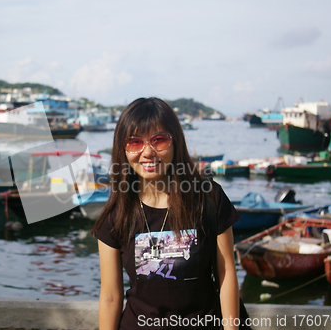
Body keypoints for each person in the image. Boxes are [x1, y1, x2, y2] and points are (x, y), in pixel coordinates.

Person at [92, 97, 241, 330]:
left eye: (159, 140)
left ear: (175, 142)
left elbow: (227, 274)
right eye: (135, 143)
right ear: (123, 149)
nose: (148, 152)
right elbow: (110, 295)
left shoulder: (207, 198)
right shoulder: (117, 214)